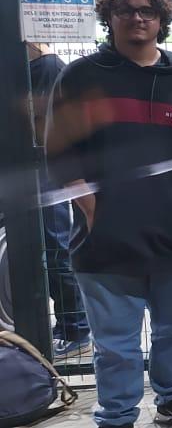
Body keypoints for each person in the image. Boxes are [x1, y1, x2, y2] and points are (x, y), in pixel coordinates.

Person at [45, 0, 172, 428]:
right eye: (125, 10)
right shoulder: (81, 77)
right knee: (116, 345)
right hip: (107, 239)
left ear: (162, 19)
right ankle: (118, 415)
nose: (137, 18)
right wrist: (92, 210)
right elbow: (59, 154)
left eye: (147, 10)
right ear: (109, 17)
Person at [28, 42, 90, 358]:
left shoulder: (49, 68)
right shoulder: (28, 68)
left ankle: (75, 328)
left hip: (48, 170)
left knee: (56, 248)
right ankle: (66, 326)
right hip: (32, 170)